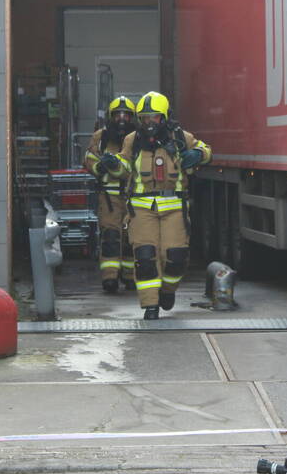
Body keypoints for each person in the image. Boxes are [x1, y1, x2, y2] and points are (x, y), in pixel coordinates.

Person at [97, 91, 212, 319]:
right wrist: (113, 163)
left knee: (176, 256)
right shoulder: (132, 140)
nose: (149, 123)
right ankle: (150, 305)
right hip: (141, 210)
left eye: (154, 117)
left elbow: (207, 150)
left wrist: (197, 155)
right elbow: (123, 168)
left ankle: (168, 291)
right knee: (145, 257)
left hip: (174, 209)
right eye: (145, 118)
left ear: (165, 117)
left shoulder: (180, 136)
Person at [83, 96, 137, 293]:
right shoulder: (101, 136)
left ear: (133, 117)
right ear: (110, 116)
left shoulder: (137, 138)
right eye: (117, 115)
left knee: (131, 237)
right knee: (111, 237)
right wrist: (100, 166)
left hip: (133, 197)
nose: (121, 119)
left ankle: (130, 276)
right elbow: (89, 159)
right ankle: (110, 277)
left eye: (126, 115)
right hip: (109, 197)